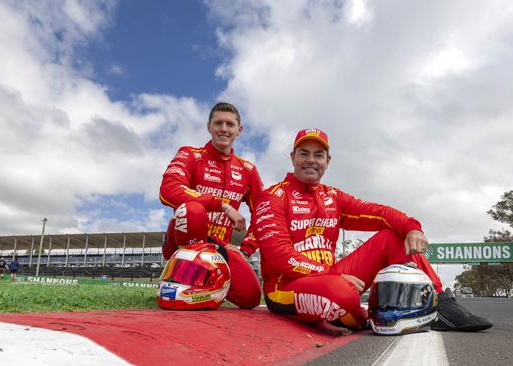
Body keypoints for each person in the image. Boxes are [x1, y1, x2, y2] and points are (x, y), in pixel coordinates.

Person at [252, 128, 492, 334]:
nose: (311, 160)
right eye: (304, 153)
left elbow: (378, 213)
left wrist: (412, 227)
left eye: (318, 155)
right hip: (284, 288)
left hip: (331, 277)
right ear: (292, 157)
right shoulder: (272, 197)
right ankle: (368, 317)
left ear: (328, 160)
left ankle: (440, 305)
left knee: (392, 236)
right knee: (342, 295)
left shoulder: (332, 196)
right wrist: (331, 275)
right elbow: (278, 255)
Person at [159, 102, 264, 309]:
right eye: (218, 123)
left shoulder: (248, 170)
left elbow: (263, 214)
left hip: (220, 249)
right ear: (209, 127)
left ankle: (209, 288)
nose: (223, 129)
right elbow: (168, 190)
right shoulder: (190, 154)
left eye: (230, 124)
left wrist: (246, 250)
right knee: (194, 210)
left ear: (239, 130)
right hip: (183, 235)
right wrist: (222, 205)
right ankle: (181, 281)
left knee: (250, 296)